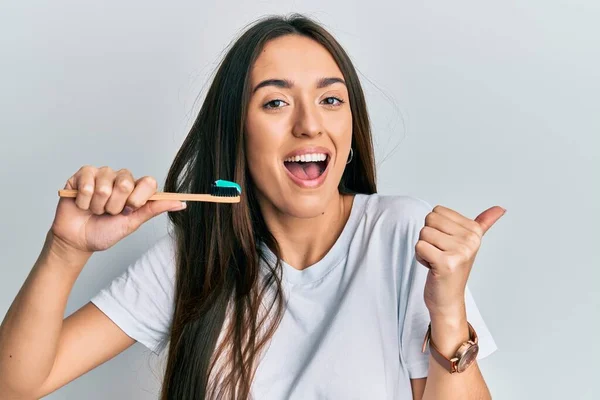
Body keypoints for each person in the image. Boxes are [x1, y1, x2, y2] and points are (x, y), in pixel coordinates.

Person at [0, 13, 503, 400]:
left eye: (331, 100)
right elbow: (17, 383)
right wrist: (65, 249)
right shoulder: (195, 259)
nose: (309, 125)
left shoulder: (406, 236)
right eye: (275, 103)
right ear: (236, 130)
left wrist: (448, 311)